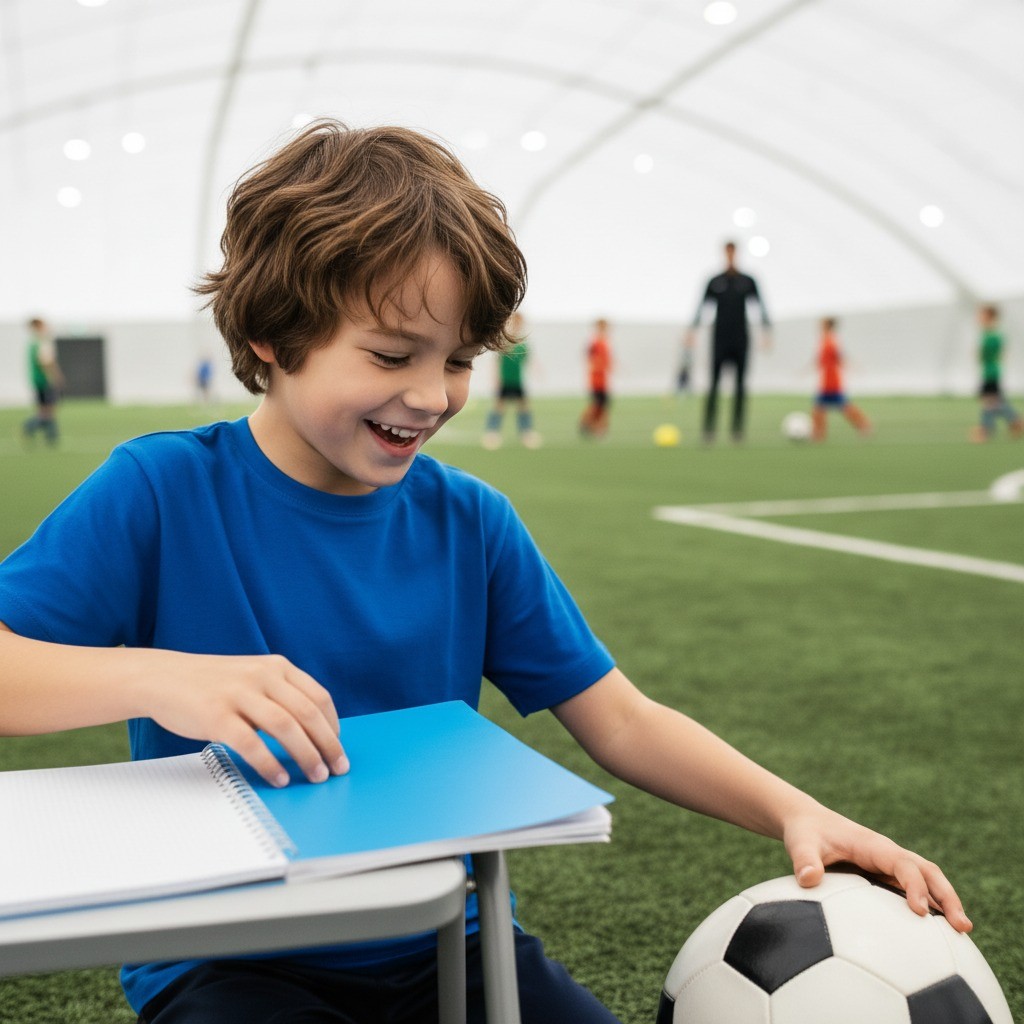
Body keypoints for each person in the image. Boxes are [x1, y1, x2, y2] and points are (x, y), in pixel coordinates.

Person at [0, 120, 970, 1024]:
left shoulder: (468, 520)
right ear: (270, 334)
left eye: (459, 358)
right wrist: (161, 675)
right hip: (225, 960)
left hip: (450, 943)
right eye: (390, 353)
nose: (430, 395)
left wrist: (796, 810)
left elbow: (621, 719)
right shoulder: (159, 490)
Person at [686, 241, 770, 443]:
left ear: (737, 254)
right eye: (727, 252)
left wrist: (766, 331)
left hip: (741, 339)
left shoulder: (747, 281)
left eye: (733, 252)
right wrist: (692, 330)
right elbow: (702, 307)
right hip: (720, 339)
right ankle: (709, 429)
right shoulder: (715, 281)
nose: (730, 256)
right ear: (724, 253)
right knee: (713, 385)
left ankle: (737, 430)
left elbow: (760, 306)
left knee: (740, 385)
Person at [482, 312, 541, 449]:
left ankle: (526, 432)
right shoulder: (504, 342)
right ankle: (492, 433)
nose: (517, 325)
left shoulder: (523, 344)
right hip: (505, 381)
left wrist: (537, 371)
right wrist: (495, 378)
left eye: (519, 322)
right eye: (515, 322)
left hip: (518, 381)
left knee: (523, 406)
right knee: (499, 406)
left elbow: (529, 360)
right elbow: (496, 362)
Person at [810, 317, 872, 441]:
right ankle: (818, 434)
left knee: (837, 406)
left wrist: (852, 366)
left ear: (827, 326)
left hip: (831, 380)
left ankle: (864, 425)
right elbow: (820, 360)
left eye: (822, 324)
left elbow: (840, 357)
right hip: (826, 379)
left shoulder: (830, 341)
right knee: (822, 407)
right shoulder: (825, 340)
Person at [970, 304, 1022, 442]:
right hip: (989, 371)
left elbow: (989, 353)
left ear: (991, 317)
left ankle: (986, 430)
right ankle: (1015, 421)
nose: (979, 318)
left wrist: (980, 353)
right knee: (994, 401)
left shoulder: (993, 335)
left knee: (989, 401)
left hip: (991, 372)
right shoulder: (987, 333)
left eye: (982, 315)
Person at [22, 317, 64, 445]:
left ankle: (49, 435)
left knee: (43, 409)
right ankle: (32, 427)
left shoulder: (32, 343)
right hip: (45, 380)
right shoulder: (42, 342)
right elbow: (46, 362)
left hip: (36, 380)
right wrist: (57, 376)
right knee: (49, 409)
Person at [579, 318, 612, 437]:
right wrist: (595, 366)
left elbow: (607, 359)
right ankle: (587, 424)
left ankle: (597, 427)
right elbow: (589, 357)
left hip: (603, 378)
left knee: (603, 404)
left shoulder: (605, 342)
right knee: (597, 403)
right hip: (596, 378)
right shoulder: (595, 342)